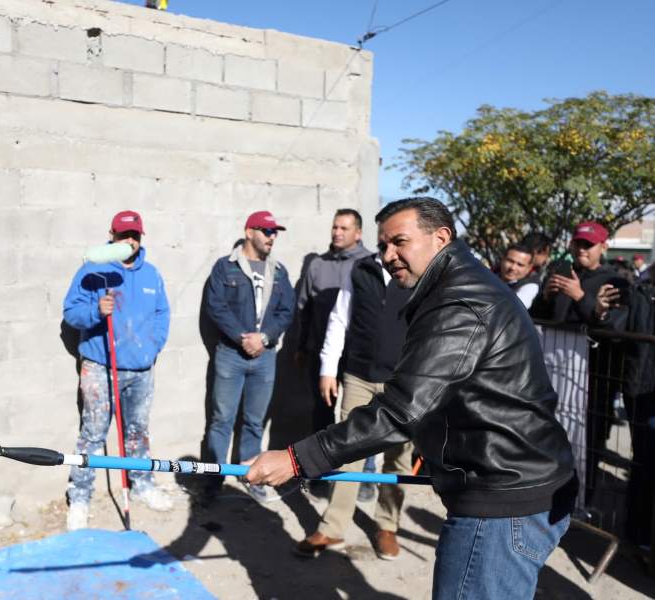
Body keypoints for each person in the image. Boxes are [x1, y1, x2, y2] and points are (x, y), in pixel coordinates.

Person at [246, 197, 576, 599]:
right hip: (510, 485)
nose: (388, 255)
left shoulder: (460, 302)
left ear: (441, 237)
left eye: (400, 242)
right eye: (383, 245)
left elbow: (401, 412)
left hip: (501, 500)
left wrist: (297, 459)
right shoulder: (453, 286)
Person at [295, 250, 413, 560]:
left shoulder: (420, 271)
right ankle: (333, 528)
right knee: (348, 452)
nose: (390, 246)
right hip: (359, 376)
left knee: (399, 457)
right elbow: (340, 318)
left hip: (403, 382)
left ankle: (387, 526)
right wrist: (328, 369)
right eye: (385, 236)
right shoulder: (361, 270)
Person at [62, 210, 172, 530]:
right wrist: (97, 311)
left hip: (141, 370)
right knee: (93, 433)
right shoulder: (93, 270)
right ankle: (80, 496)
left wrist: (152, 347)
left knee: (137, 431)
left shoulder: (151, 275)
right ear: (112, 236)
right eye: (124, 235)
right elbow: (71, 312)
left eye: (134, 235)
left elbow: (162, 314)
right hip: (100, 366)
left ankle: (142, 484)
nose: (130, 241)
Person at [530, 221, 626, 507]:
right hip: (553, 372)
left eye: (589, 245)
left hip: (593, 379)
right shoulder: (560, 273)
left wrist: (580, 296)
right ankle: (546, 497)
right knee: (548, 436)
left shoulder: (615, 281)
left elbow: (613, 329)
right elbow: (537, 316)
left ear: (603, 247)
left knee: (587, 443)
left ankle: (582, 504)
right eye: (578, 243)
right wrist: (546, 296)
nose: (582, 249)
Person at [203, 210, 295, 502]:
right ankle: (213, 480)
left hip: (264, 357)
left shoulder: (278, 271)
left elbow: (286, 311)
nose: (272, 237)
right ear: (249, 232)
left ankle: (251, 476)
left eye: (274, 232)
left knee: (255, 421)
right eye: (266, 231)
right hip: (231, 354)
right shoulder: (225, 267)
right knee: (221, 420)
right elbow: (216, 307)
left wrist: (263, 338)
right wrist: (242, 338)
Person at [293, 209, 370, 434]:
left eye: (344, 228)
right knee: (322, 411)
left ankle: (359, 457)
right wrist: (301, 346)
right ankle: (322, 456)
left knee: (359, 414)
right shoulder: (317, 265)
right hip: (322, 352)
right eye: (335, 227)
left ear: (358, 233)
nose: (337, 232)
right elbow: (305, 309)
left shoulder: (368, 264)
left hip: (357, 355)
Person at [498, 242, 539, 309]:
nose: (513, 268)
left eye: (520, 265)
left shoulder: (530, 286)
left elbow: (513, 308)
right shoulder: (491, 273)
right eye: (510, 261)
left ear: (529, 268)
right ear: (502, 259)